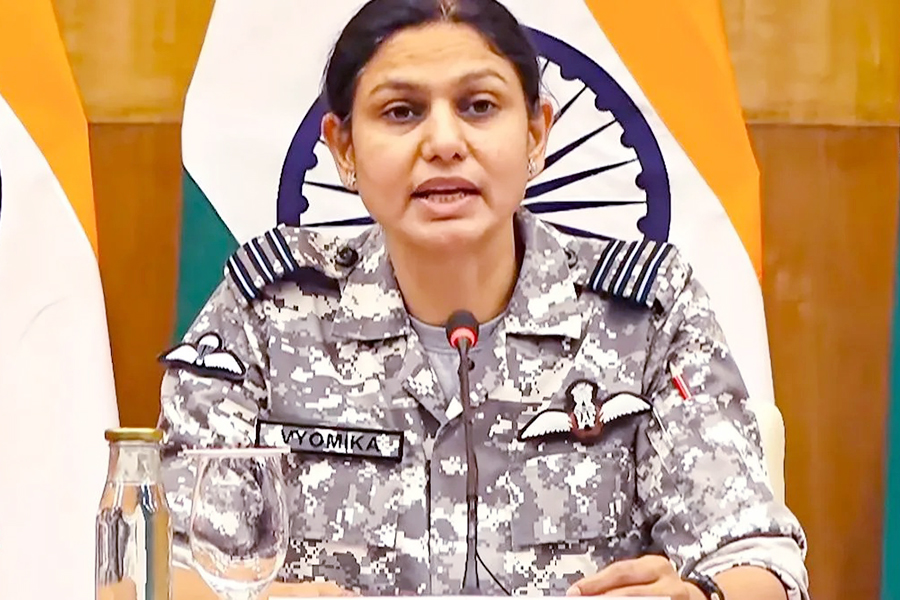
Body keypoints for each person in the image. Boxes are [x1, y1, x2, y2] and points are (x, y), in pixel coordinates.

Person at [159, 0, 809, 598]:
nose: (444, 143)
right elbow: (172, 569)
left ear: (536, 134)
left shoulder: (645, 315)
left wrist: (698, 597)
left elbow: (757, 559)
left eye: (478, 107)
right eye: (402, 112)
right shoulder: (269, 313)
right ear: (343, 148)